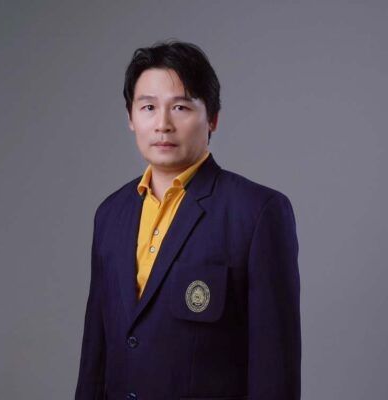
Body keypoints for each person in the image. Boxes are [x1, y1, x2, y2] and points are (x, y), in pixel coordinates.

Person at [75, 40, 301, 400]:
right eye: (148, 107)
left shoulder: (257, 213)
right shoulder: (110, 214)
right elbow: (95, 355)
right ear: (131, 118)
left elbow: (275, 370)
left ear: (212, 118)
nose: (162, 124)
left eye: (180, 107)